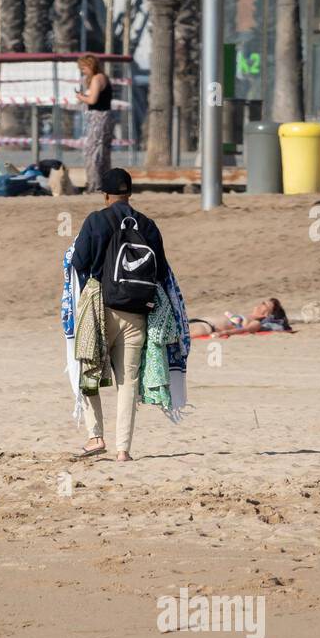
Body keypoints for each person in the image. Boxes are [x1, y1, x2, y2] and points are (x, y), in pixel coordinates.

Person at [70, 167, 169, 462]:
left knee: (88, 368)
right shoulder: (147, 225)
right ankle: (123, 449)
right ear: (130, 193)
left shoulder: (96, 220)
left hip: (100, 306)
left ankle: (95, 436)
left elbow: (78, 262)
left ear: (105, 195)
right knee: (128, 382)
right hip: (137, 311)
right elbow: (161, 271)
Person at [75, 54, 115, 191]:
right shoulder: (104, 77)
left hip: (98, 118)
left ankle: (94, 184)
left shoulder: (97, 79)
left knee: (92, 152)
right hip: (106, 117)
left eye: (84, 68)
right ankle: (106, 183)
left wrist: (81, 97)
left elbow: (92, 100)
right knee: (103, 153)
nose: (83, 71)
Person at [189, 299, 292, 338]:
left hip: (205, 327)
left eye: (265, 304)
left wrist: (223, 333)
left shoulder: (256, 323)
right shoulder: (247, 316)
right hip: (197, 321)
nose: (261, 304)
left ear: (267, 314)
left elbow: (244, 330)